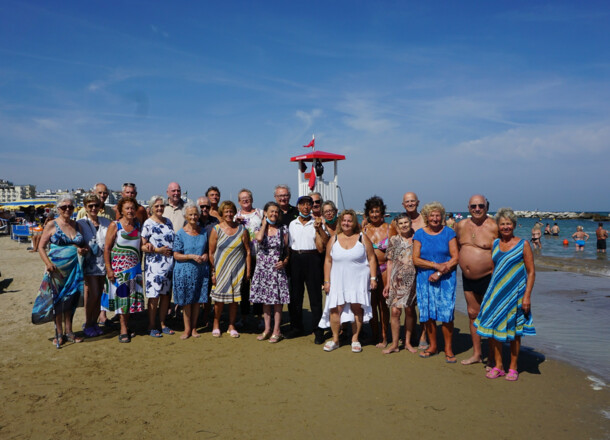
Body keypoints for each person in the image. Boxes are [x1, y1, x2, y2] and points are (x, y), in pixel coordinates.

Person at [474, 208, 536, 381]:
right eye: (503, 224)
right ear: (498, 226)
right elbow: (495, 270)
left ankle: (513, 367)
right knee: (494, 332)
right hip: (496, 294)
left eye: (509, 223)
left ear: (514, 225)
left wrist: (527, 296)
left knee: (515, 333)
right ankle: (499, 366)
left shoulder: (523, 244)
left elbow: (531, 272)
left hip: (515, 295)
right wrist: (490, 295)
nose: (506, 227)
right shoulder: (495, 244)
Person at [320, 209, 376, 352]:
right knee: (335, 309)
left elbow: (371, 258)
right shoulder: (334, 239)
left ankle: (355, 339)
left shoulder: (362, 237)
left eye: (349, 220)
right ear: (340, 222)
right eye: (344, 220)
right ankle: (335, 339)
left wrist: (373, 278)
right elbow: (327, 260)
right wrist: (326, 281)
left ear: (354, 222)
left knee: (357, 308)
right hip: (338, 279)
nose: (346, 223)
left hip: (358, 280)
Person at [36, 194, 86, 344]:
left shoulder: (77, 225)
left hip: (74, 269)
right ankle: (59, 333)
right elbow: (41, 247)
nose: (67, 209)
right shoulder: (52, 224)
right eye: (64, 207)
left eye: (70, 206)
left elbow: (82, 245)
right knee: (58, 300)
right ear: (58, 209)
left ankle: (70, 332)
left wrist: (83, 250)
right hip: (56, 270)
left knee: (71, 300)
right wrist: (48, 263)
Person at [455, 195, 499, 366]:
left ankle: (494, 357)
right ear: (468, 207)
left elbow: (505, 249)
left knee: (491, 316)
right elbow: (457, 246)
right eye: (474, 206)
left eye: (481, 205)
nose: (477, 209)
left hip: (489, 277)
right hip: (467, 279)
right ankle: (477, 354)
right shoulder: (461, 225)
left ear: (487, 206)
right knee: (473, 314)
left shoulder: (494, 226)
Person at [412, 201, 459, 362]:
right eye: (432, 215)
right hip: (424, 279)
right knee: (429, 314)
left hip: (446, 279)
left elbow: (455, 258)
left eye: (438, 215)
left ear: (442, 217)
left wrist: (439, 272)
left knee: (446, 314)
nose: (435, 218)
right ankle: (433, 346)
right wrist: (434, 265)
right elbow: (416, 259)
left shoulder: (449, 233)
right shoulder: (419, 234)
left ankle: (448, 348)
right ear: (426, 217)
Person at [286, 195, 329, 343]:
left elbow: (324, 243)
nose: (305, 207)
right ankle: (296, 327)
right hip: (295, 258)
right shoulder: (292, 224)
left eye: (308, 205)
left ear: (311, 207)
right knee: (295, 296)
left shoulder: (317, 223)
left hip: (312, 259)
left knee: (315, 297)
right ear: (298, 207)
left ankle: (318, 330)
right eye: (302, 205)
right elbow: (288, 244)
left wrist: (319, 229)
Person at [104, 196, 144, 343]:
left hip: (134, 268)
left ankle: (127, 325)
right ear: (121, 210)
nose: (130, 211)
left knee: (130, 300)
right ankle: (123, 329)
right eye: (127, 208)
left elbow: (141, 245)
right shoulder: (115, 225)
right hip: (119, 269)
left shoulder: (138, 225)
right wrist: (109, 269)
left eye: (132, 208)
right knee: (122, 299)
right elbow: (107, 248)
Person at [209, 201, 251, 338]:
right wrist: (213, 271)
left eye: (231, 211)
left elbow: (248, 251)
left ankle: (231, 325)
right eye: (226, 211)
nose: (229, 214)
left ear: (235, 213)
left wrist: (248, 271)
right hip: (220, 269)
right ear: (222, 213)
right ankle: (216, 324)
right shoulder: (216, 229)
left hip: (237, 269)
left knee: (234, 300)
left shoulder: (242, 230)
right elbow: (211, 252)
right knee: (219, 300)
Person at [250, 202, 290, 343]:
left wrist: (285, 261)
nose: (274, 214)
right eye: (271, 211)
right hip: (262, 268)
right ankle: (267, 329)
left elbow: (286, 250)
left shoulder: (283, 229)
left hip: (277, 268)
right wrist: (265, 224)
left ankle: (277, 330)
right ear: (265, 212)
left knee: (278, 302)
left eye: (276, 212)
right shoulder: (257, 228)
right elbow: (259, 239)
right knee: (265, 302)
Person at [172, 202, 210, 339]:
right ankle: (187, 329)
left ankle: (194, 328)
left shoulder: (204, 232)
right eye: (190, 214)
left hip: (200, 271)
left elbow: (207, 250)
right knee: (187, 302)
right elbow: (176, 254)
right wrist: (190, 256)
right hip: (184, 271)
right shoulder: (181, 233)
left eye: (195, 214)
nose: (193, 217)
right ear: (185, 216)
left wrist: (205, 255)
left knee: (197, 301)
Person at [76, 194, 111, 338]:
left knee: (99, 295)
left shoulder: (106, 222)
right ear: (85, 207)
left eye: (96, 205)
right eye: (90, 206)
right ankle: (88, 323)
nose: (94, 208)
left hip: (103, 263)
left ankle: (94, 322)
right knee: (94, 293)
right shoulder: (80, 223)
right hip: (89, 263)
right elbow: (74, 239)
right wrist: (79, 248)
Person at [382, 213, 417, 354]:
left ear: (410, 223)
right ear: (397, 225)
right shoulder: (394, 240)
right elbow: (389, 262)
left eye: (406, 222)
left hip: (413, 279)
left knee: (409, 310)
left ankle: (407, 342)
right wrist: (387, 283)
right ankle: (395, 344)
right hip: (396, 280)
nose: (404, 225)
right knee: (395, 311)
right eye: (401, 223)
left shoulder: (417, 238)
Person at [141, 195, 175, 337]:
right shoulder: (148, 223)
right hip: (154, 265)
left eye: (162, 206)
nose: (160, 208)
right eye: (157, 206)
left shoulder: (168, 222)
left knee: (165, 296)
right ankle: (151, 325)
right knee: (154, 296)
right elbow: (142, 246)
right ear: (151, 208)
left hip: (169, 265)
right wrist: (157, 250)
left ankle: (162, 323)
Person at [362, 195, 390, 348]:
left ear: (382, 212)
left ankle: (385, 336)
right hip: (368, 270)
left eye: (377, 211)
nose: (374, 214)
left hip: (385, 268)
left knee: (383, 304)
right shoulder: (365, 229)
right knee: (371, 304)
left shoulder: (389, 228)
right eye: (371, 212)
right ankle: (374, 335)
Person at [234, 188, 264, 328]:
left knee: (258, 287)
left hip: (258, 255)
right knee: (244, 288)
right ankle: (244, 316)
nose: (246, 200)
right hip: (242, 257)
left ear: (252, 199)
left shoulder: (260, 213)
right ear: (239, 201)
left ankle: (259, 317)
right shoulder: (236, 216)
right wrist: (236, 224)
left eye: (248, 198)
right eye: (243, 198)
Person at [197, 195, 219, 326]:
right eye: (202, 206)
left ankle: (205, 317)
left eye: (207, 206)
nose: (204, 209)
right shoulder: (192, 219)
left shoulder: (215, 222)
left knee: (208, 290)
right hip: (195, 259)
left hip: (211, 259)